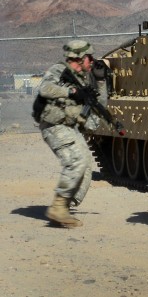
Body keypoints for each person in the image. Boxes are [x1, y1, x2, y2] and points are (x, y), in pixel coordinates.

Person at [37, 39, 108, 227]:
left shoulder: (84, 77)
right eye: (89, 58)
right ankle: (58, 208)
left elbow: (98, 105)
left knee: (85, 168)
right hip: (54, 125)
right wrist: (70, 92)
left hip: (70, 127)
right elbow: (44, 88)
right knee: (76, 161)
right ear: (79, 57)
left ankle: (65, 206)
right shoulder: (59, 70)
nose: (92, 62)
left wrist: (101, 81)